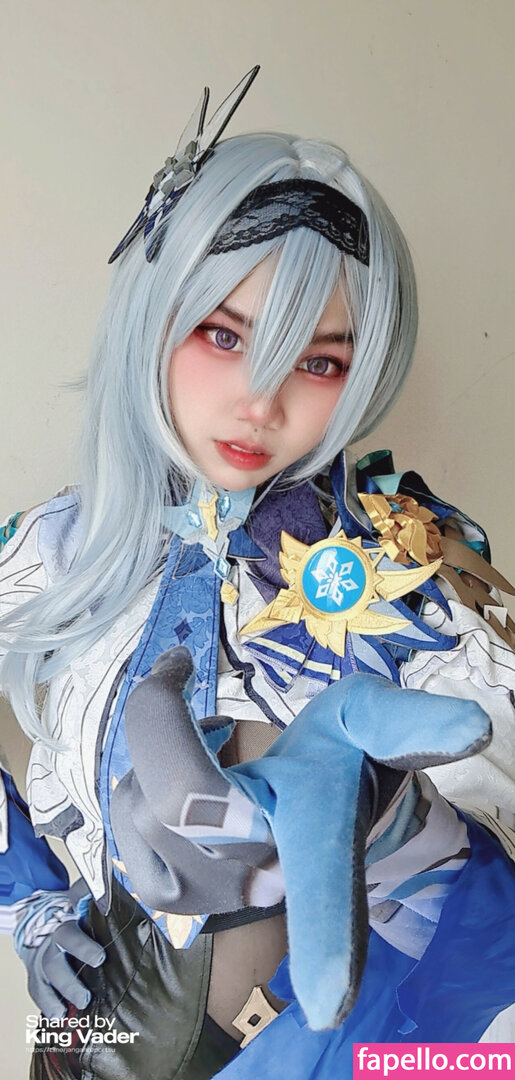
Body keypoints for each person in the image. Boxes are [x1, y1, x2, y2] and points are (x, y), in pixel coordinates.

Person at [0, 67, 514, 1080]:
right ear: (151, 316)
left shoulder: (407, 562)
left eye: (317, 362)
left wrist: (387, 826)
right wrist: (33, 905)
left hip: (352, 1045)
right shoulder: (48, 551)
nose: (260, 402)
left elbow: (495, 893)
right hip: (85, 1044)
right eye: (223, 335)